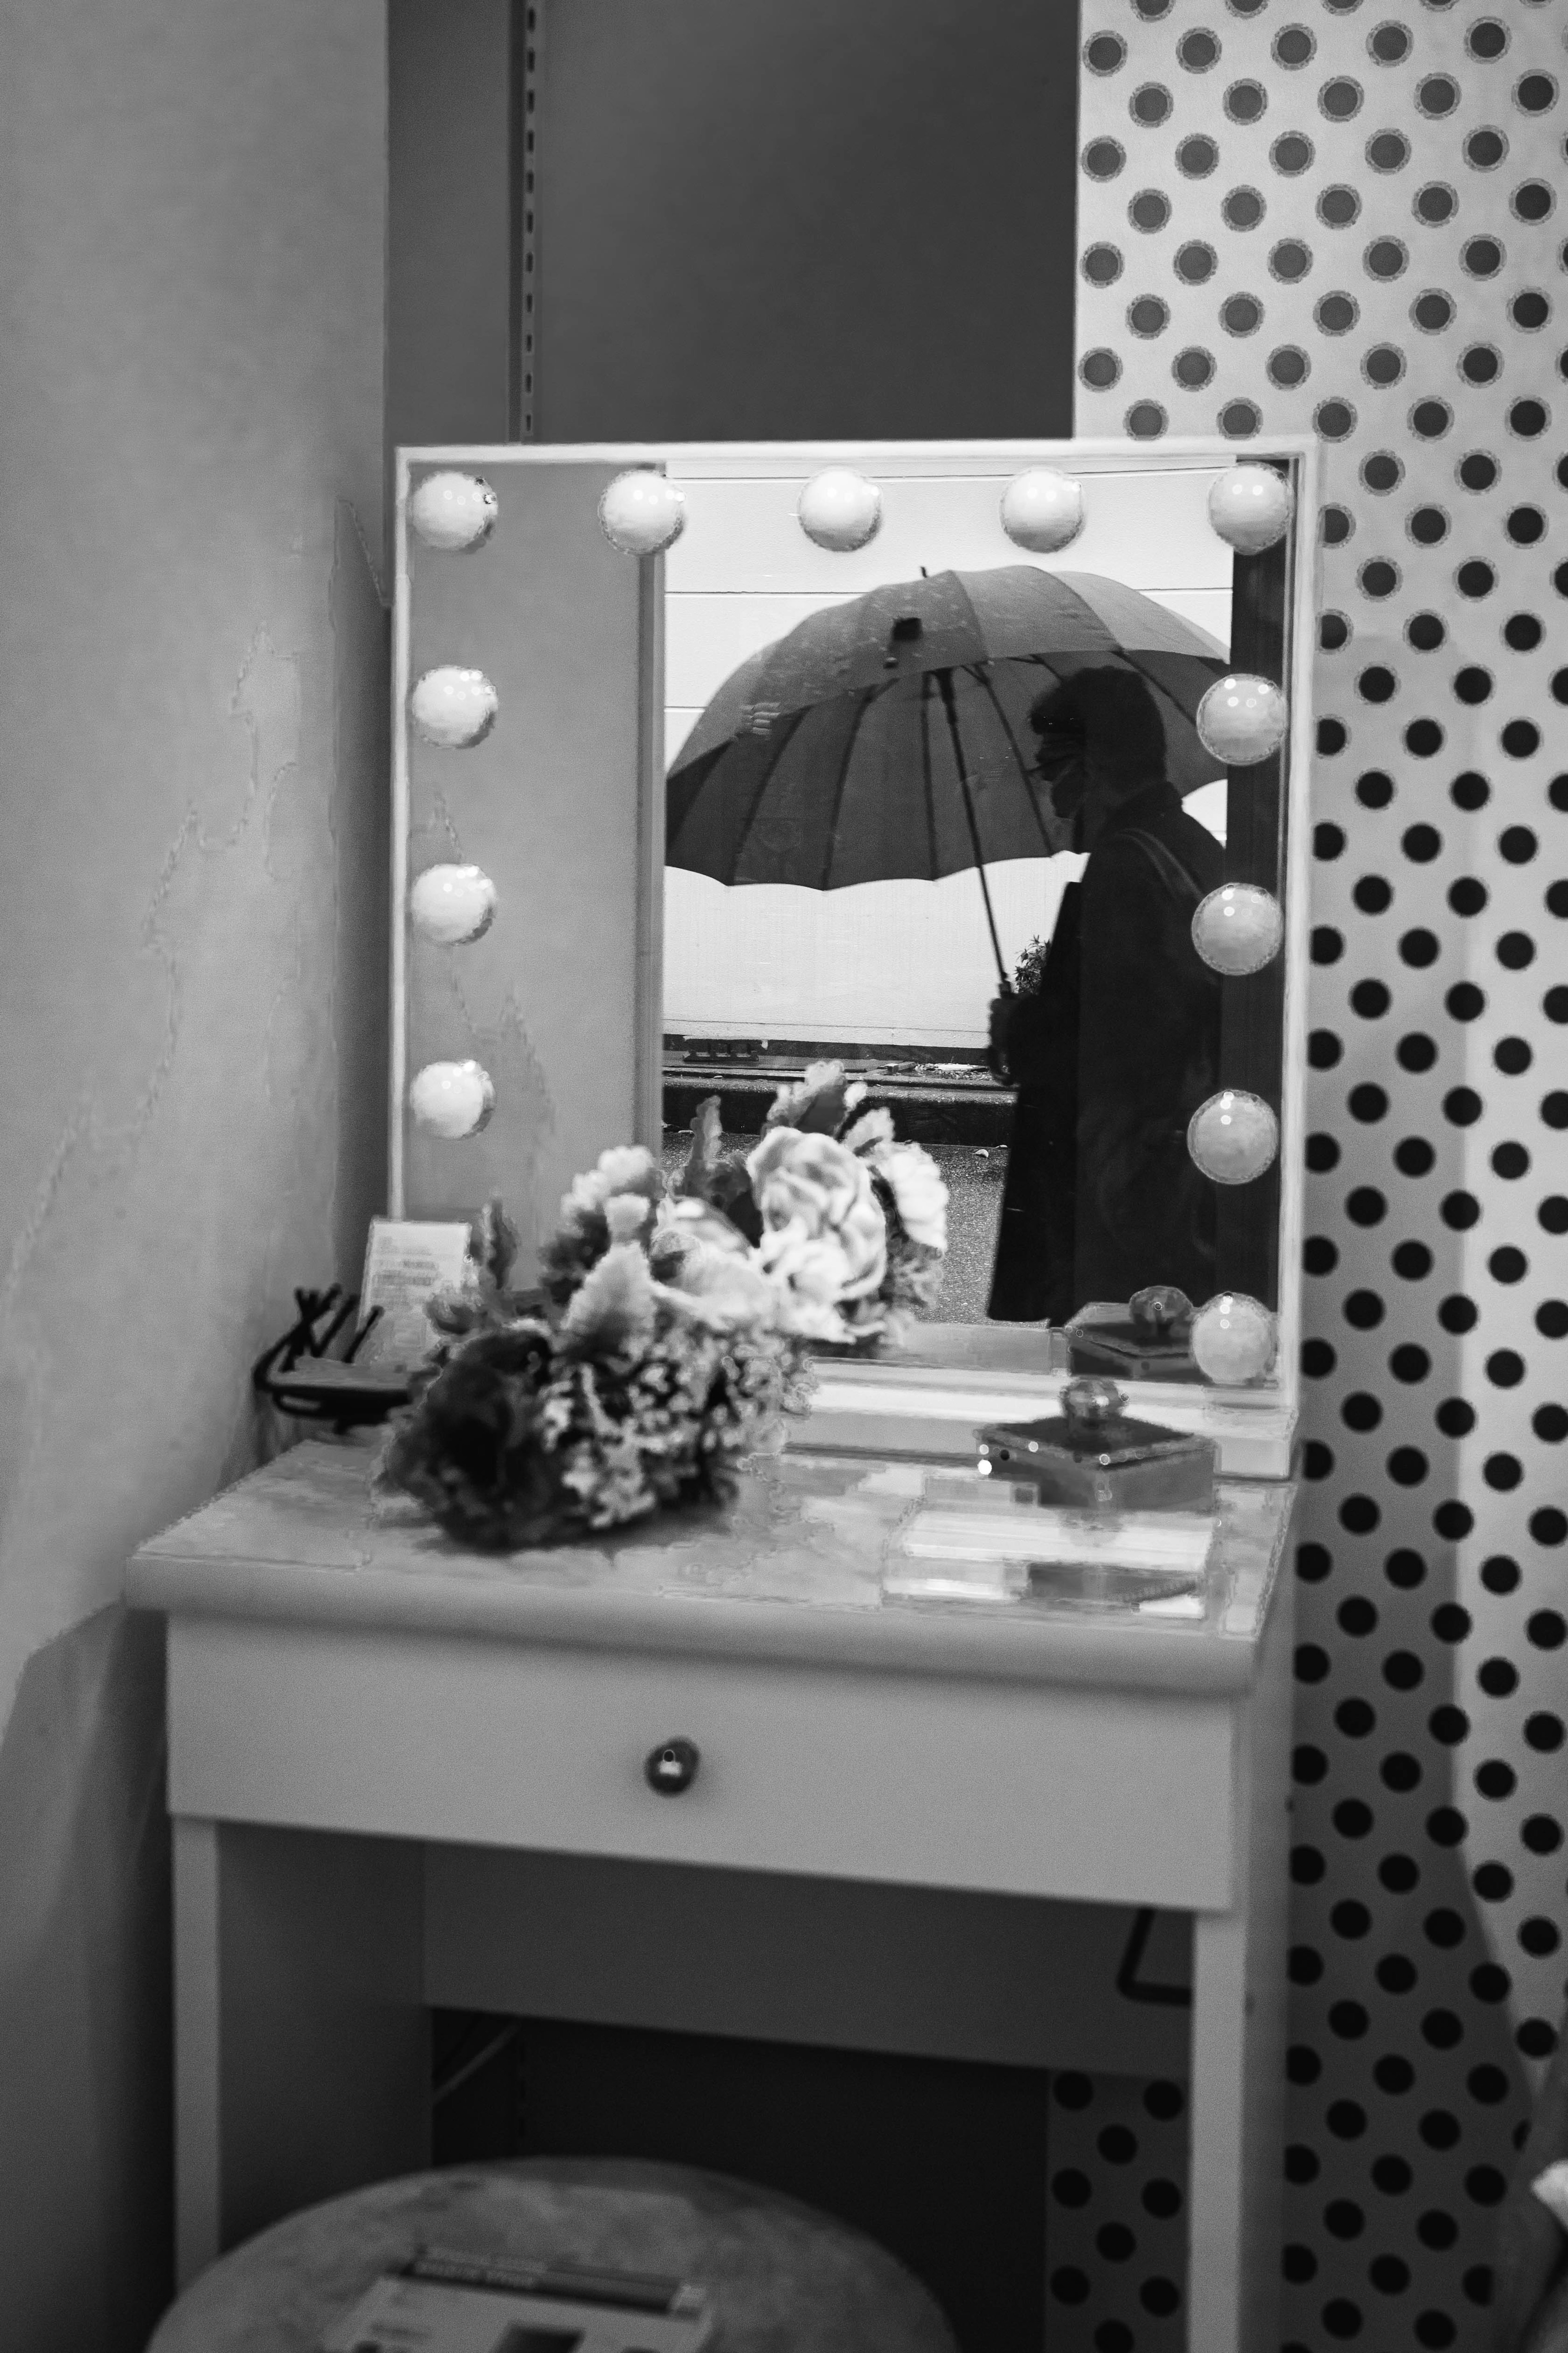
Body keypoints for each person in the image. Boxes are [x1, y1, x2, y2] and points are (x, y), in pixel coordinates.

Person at [987, 664, 1223, 1323]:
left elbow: (1110, 1055)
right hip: (1187, 1190)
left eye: (1051, 770)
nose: (1055, 802)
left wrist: (1022, 1029)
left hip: (1128, 1217)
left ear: (1090, 766)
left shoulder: (1128, 866)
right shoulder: (1190, 849)